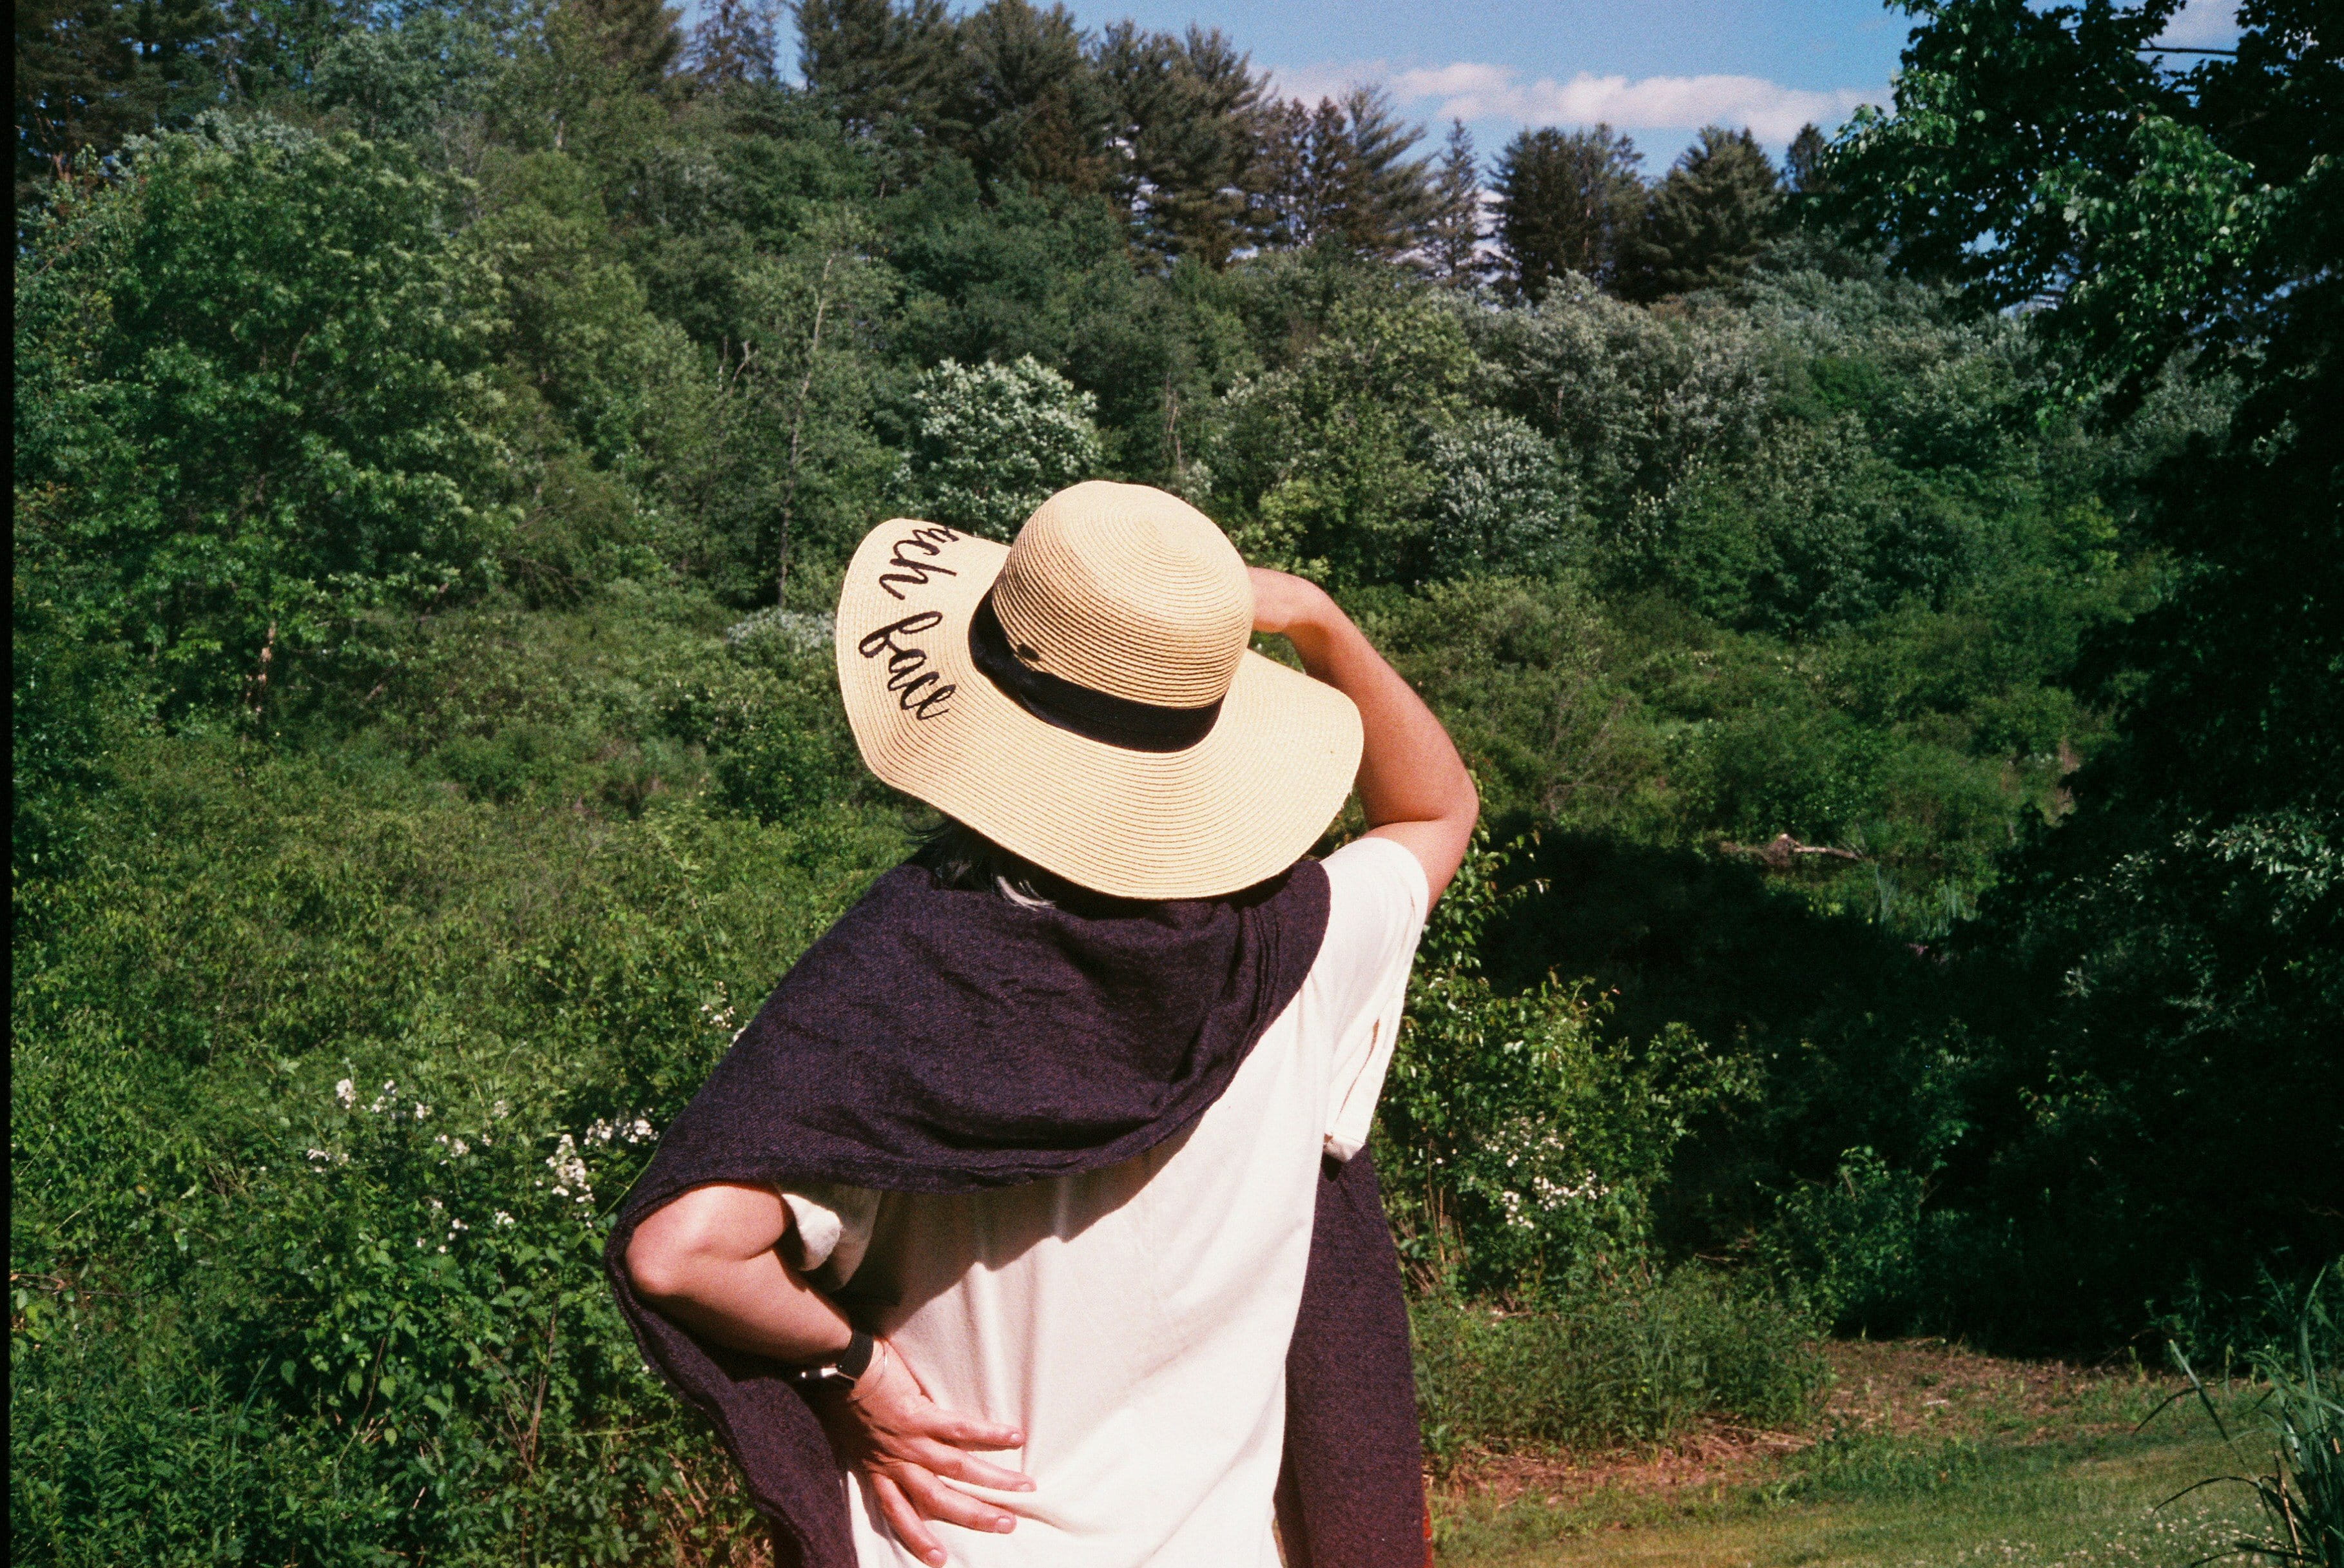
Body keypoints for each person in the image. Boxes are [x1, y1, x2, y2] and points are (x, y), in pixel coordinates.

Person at [612, 481, 1477, 1568]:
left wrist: (857, 1374)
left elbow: (682, 1252)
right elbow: (1435, 806)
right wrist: (1315, 615)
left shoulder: (906, 972)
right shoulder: (1299, 949)